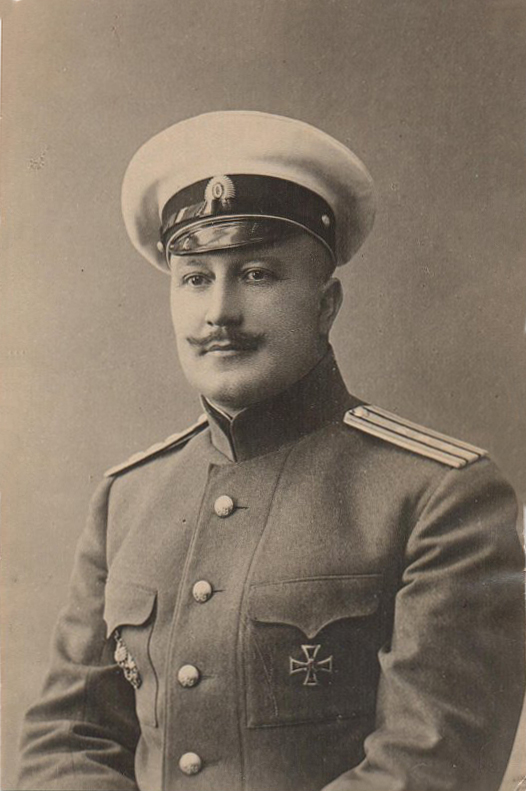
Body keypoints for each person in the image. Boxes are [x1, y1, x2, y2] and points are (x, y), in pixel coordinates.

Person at [18, 111, 524, 791]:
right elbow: (67, 743)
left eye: (256, 274)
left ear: (326, 304)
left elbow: (428, 766)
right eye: (195, 278)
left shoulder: (438, 495)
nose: (218, 313)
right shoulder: (129, 498)